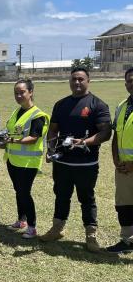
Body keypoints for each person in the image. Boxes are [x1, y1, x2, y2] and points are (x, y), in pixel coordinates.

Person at [40, 67, 112, 252]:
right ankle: (57, 229)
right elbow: (54, 129)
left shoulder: (98, 105)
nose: (77, 82)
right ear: (70, 81)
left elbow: (105, 132)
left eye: (81, 79)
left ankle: (91, 235)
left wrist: (84, 142)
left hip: (86, 164)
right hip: (63, 163)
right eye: (74, 79)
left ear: (88, 80)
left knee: (86, 198)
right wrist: (50, 149)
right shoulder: (61, 104)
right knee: (61, 196)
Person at [0, 79, 49, 238]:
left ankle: (32, 227)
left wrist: (11, 141)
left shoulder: (38, 115)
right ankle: (21, 220)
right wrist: (3, 141)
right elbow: (11, 132)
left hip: (28, 163)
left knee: (25, 193)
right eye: (16, 93)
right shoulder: (17, 111)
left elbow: (34, 138)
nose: (19, 95)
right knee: (18, 191)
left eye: (22, 92)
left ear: (31, 92)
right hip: (13, 160)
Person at [106, 67, 133, 253]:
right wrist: (116, 159)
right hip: (123, 168)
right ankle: (127, 241)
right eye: (129, 80)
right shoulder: (122, 106)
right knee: (123, 205)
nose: (132, 83)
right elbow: (116, 135)